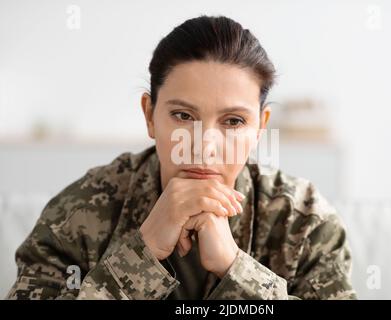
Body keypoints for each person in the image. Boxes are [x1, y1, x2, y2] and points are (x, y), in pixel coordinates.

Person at [6, 15, 356, 300]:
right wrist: (140, 255)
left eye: (233, 121)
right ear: (149, 116)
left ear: (260, 127)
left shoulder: (305, 222)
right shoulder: (76, 214)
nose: (204, 147)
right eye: (184, 117)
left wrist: (235, 268)